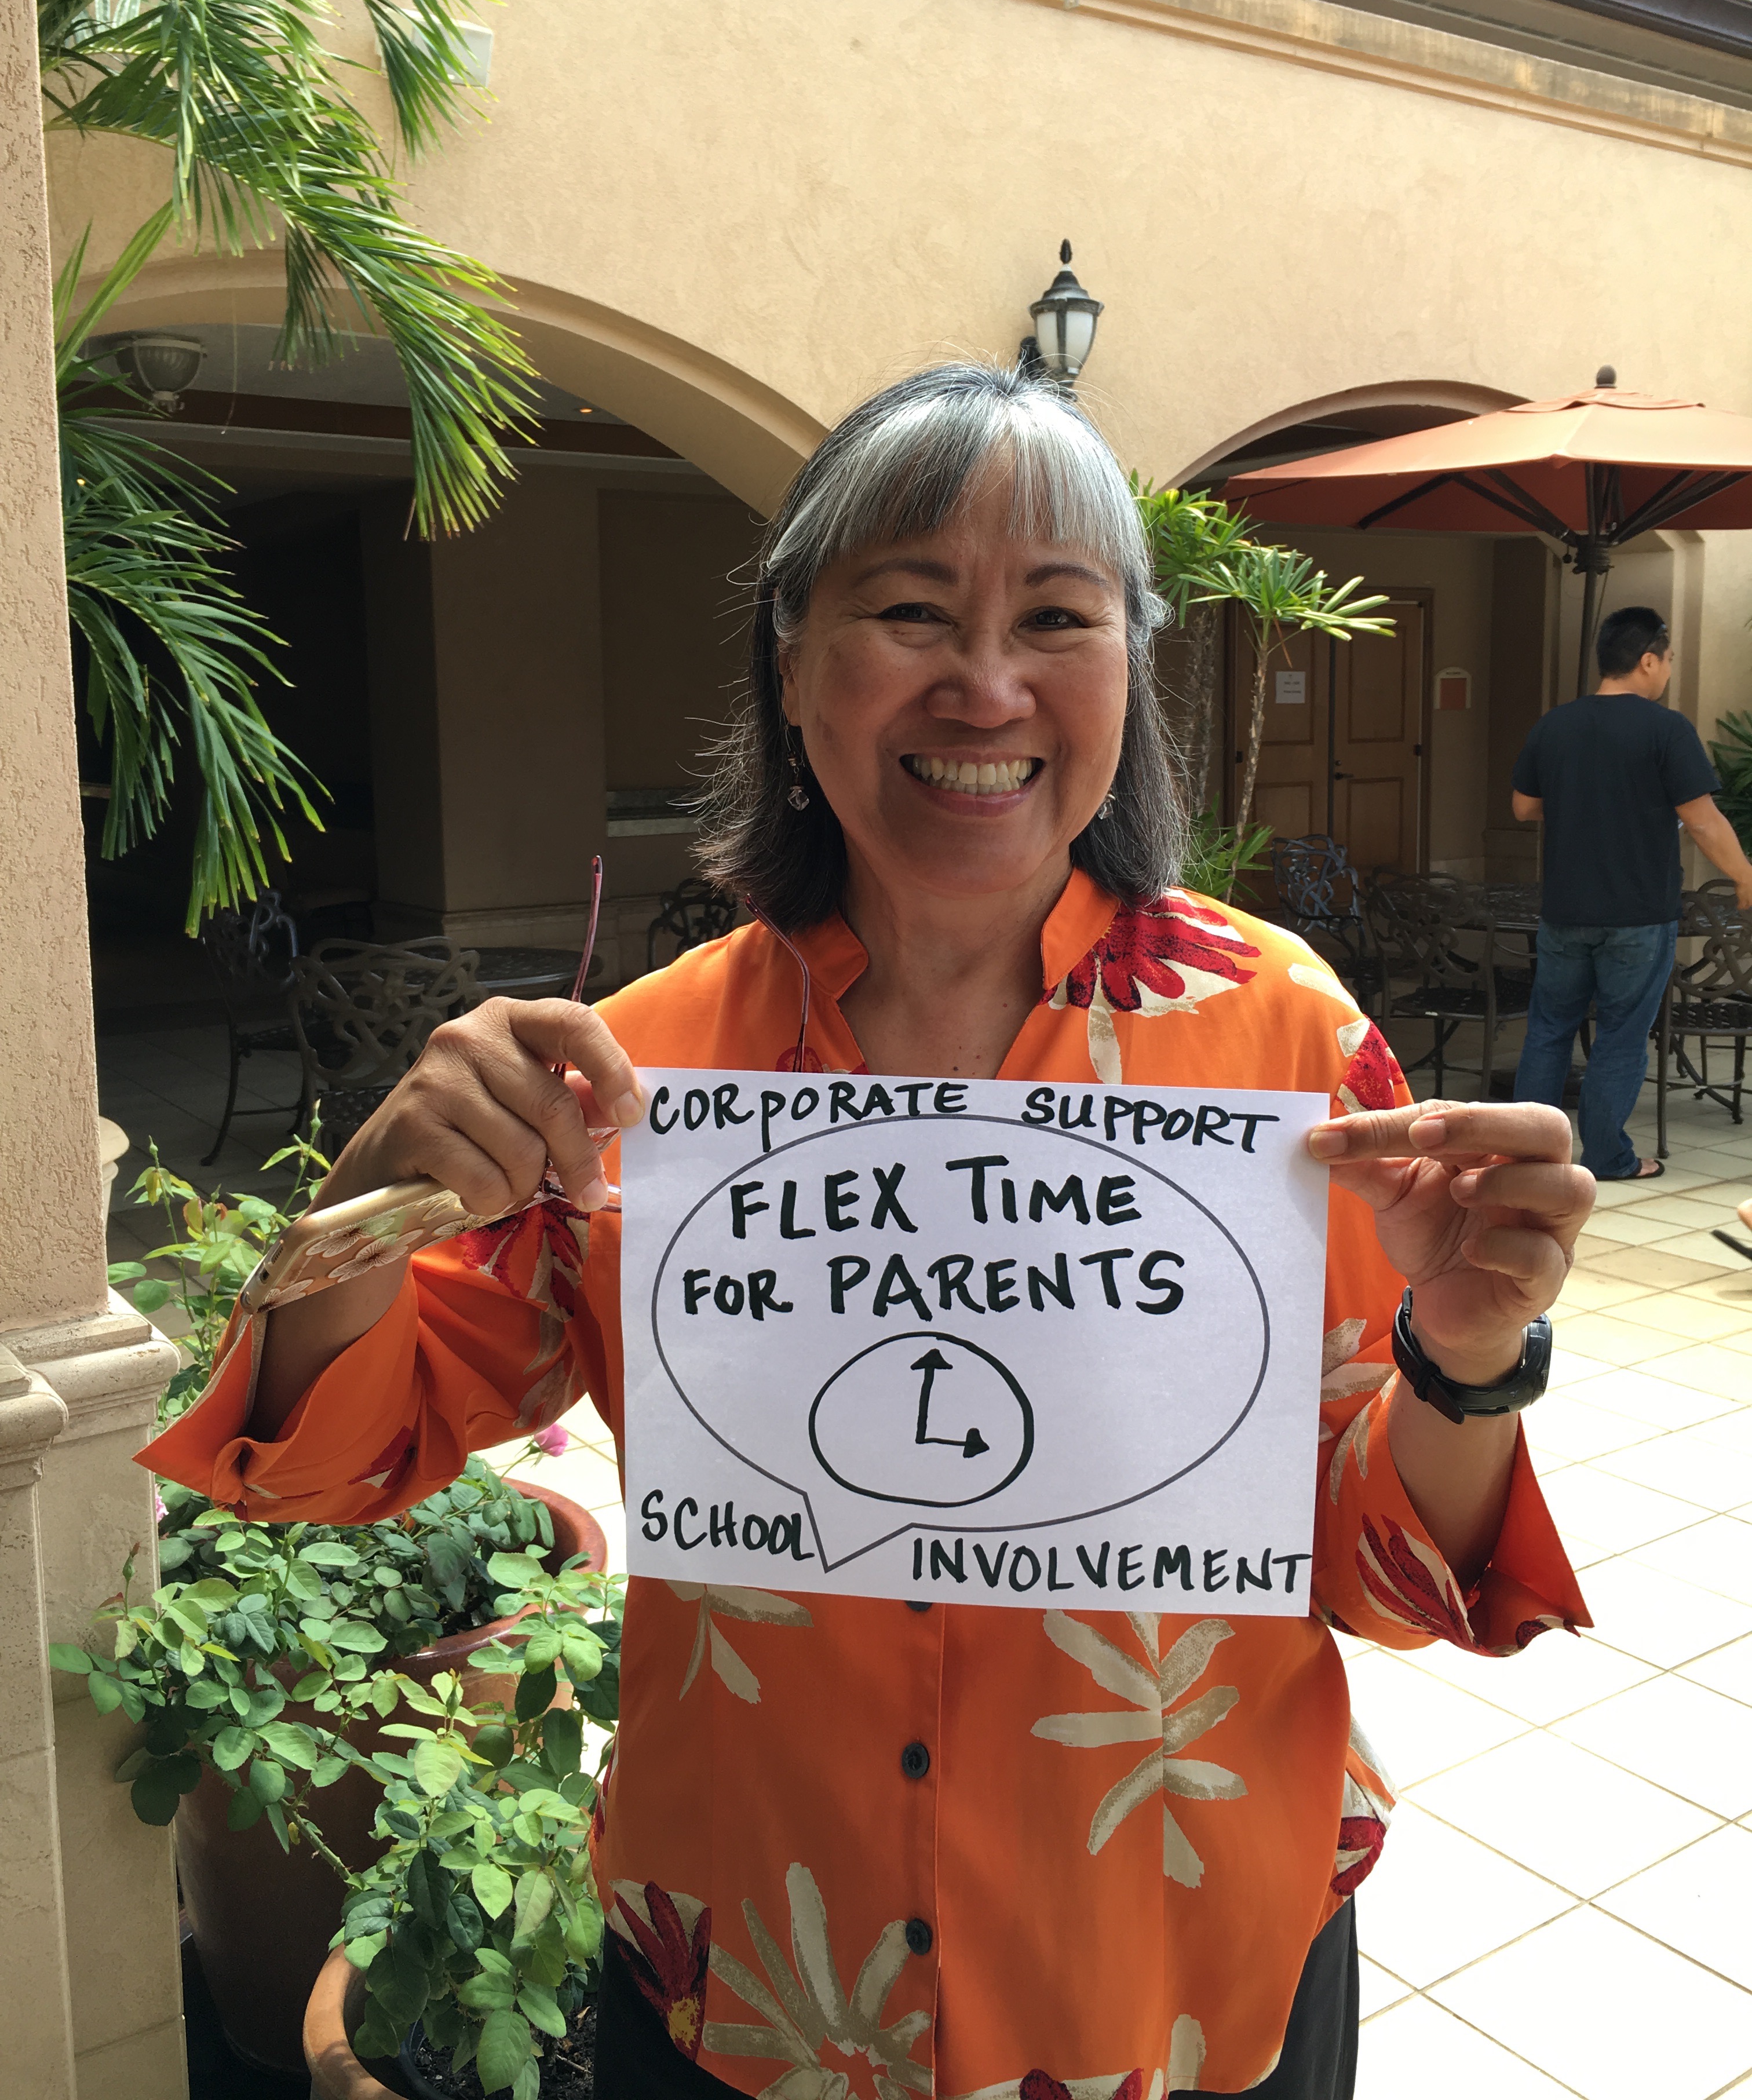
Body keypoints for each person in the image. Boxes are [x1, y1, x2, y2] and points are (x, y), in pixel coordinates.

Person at [145, 366, 1588, 2100]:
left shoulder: (1281, 1041)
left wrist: (1468, 1356)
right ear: (792, 660)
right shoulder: (648, 1075)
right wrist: (366, 1198)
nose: (987, 683)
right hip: (752, 1972)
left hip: (1175, 1975)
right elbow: (327, 1461)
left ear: (1128, 667)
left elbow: (1376, 1570)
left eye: (1056, 616)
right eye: (910, 610)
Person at [1511, 604, 1752, 1182]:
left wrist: (1582, 803)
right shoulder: (1666, 729)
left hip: (1565, 910)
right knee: (1621, 1037)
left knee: (1549, 1030)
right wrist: (1745, 875)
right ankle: (1608, 1158)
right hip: (1639, 915)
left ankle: (1524, 1155)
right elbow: (1702, 820)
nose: (1667, 670)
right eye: (1667, 660)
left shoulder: (1555, 724)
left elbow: (1524, 807)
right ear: (1647, 661)